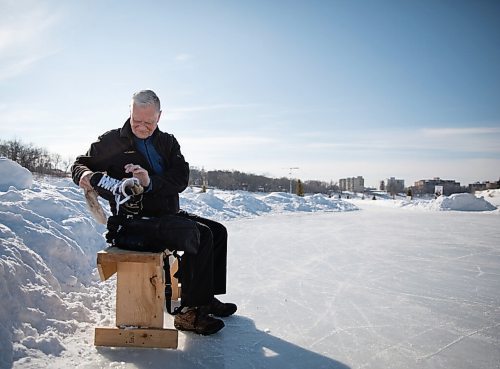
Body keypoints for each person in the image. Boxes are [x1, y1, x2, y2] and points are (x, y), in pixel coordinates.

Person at [72, 89, 236, 335]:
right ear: (130, 112)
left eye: (149, 122)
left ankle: (205, 298)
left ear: (159, 116)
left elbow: (181, 178)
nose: (142, 127)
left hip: (167, 215)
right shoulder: (112, 141)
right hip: (132, 223)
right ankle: (189, 313)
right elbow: (79, 164)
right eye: (136, 120)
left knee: (217, 231)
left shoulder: (167, 142)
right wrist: (84, 175)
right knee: (199, 235)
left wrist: (150, 183)